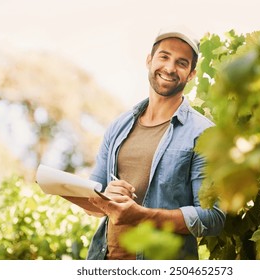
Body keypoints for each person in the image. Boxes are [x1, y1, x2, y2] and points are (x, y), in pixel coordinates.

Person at [85, 26, 226, 260]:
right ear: (149, 60)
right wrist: (105, 198)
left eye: (181, 63)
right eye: (164, 56)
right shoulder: (118, 126)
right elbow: (92, 204)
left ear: (191, 74)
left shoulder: (204, 134)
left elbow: (212, 218)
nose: (170, 68)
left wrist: (141, 216)